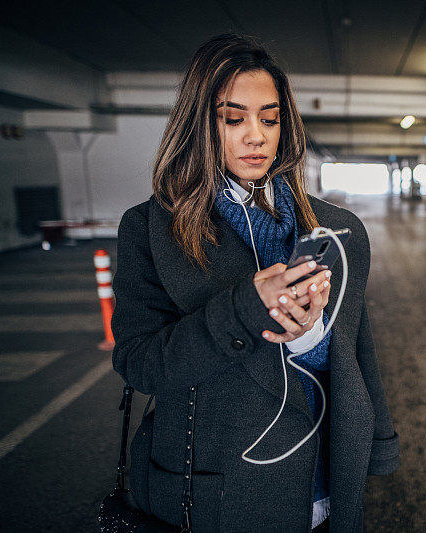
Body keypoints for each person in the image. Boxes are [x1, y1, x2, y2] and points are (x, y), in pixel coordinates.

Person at [110, 33, 399, 533]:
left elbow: (357, 350)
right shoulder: (151, 229)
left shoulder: (335, 229)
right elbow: (139, 365)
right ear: (200, 124)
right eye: (233, 118)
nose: (256, 136)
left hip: (322, 486)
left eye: (269, 118)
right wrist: (245, 309)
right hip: (216, 492)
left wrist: (312, 336)